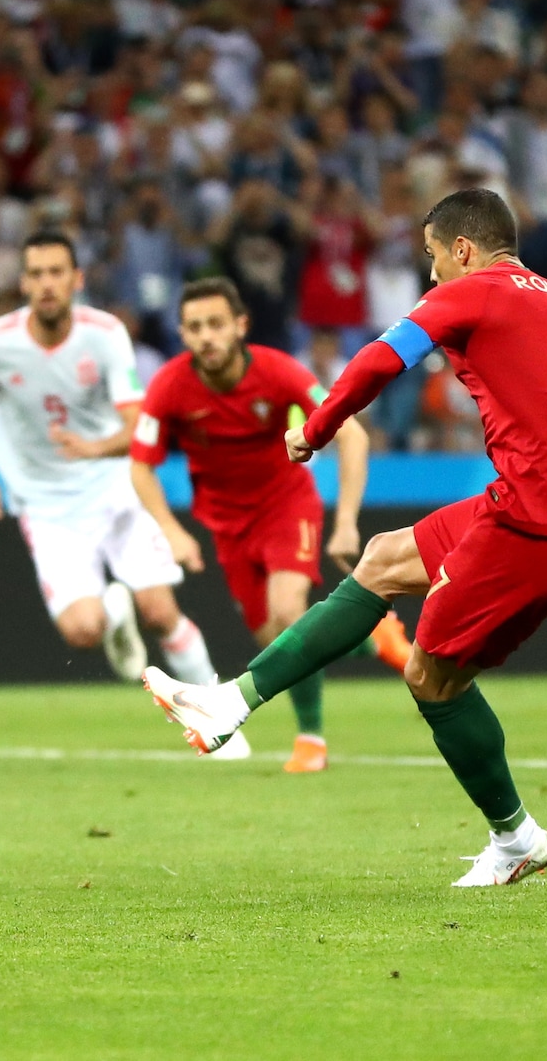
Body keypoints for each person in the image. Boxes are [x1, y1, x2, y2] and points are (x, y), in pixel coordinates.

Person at [145, 189, 547, 886]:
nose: (432, 274)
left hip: (536, 519)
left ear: (463, 250)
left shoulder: (477, 291)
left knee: (431, 677)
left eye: (434, 256)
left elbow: (385, 356)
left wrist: (312, 431)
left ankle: (518, 837)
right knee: (383, 558)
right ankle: (230, 702)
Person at [130, 278, 413, 774]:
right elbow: (139, 466)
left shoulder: (279, 372)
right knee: (277, 642)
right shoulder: (170, 385)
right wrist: (172, 531)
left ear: (241, 325)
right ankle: (375, 638)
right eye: (194, 327)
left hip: (286, 507)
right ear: (181, 333)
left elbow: (352, 436)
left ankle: (311, 741)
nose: (206, 337)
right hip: (227, 527)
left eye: (216, 324)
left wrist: (345, 521)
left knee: (288, 613)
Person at [0, 232, 217, 692]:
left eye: (56, 272)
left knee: (159, 612)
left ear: (76, 279)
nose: (47, 284)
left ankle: (222, 714)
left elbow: (138, 424)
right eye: (36, 274)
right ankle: (113, 615)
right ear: (23, 284)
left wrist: (94, 449)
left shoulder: (104, 335)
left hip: (113, 485)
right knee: (82, 632)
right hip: (46, 506)